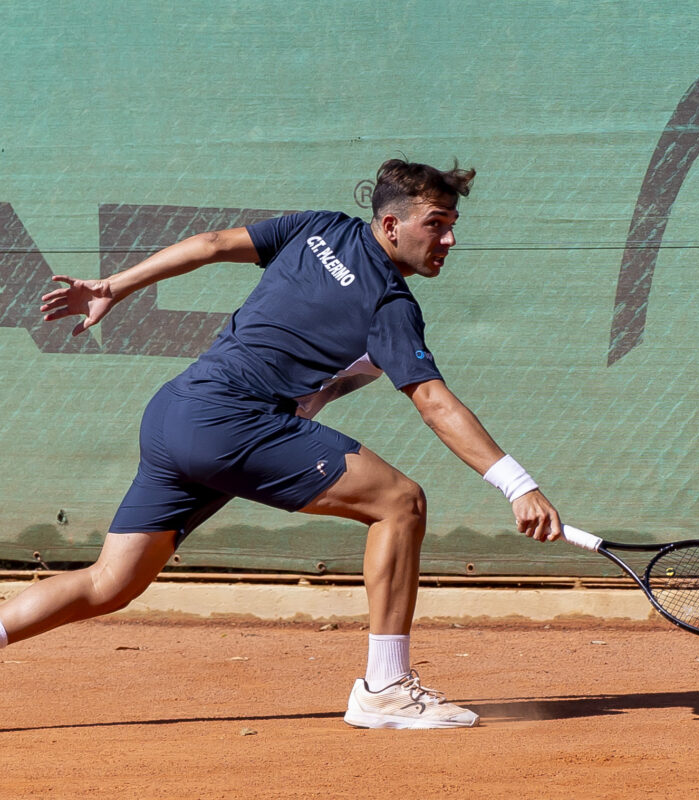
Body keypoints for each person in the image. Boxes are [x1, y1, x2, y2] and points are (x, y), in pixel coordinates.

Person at [0, 158, 562, 729]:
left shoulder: (321, 228)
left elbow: (213, 243)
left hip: (174, 411)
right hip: (231, 421)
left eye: (451, 223)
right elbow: (435, 404)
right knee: (399, 503)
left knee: (109, 584)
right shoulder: (390, 305)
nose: (449, 238)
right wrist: (518, 485)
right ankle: (386, 688)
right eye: (436, 224)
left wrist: (113, 286)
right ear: (391, 226)